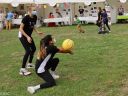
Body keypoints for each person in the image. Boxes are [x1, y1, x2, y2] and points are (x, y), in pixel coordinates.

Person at [18, 7, 43, 76]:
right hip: (22, 35)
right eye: (33, 10)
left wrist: (37, 32)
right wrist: (27, 37)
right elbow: (20, 29)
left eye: (35, 10)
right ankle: (22, 69)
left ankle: (29, 64)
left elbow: (33, 25)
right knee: (28, 51)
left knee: (34, 49)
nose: (35, 11)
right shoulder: (25, 18)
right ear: (29, 11)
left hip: (28, 35)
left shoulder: (35, 17)